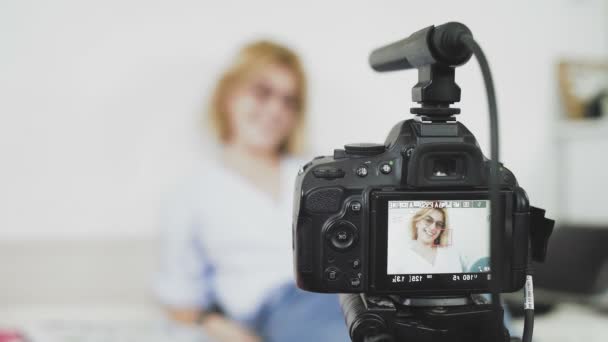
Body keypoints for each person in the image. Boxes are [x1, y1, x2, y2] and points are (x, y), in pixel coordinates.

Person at [154, 40, 349, 342]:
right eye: (262, 92)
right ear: (228, 95)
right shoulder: (193, 193)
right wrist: (219, 326)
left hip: (349, 295)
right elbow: (180, 298)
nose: (275, 110)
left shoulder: (317, 173)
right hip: (279, 309)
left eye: (289, 101)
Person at [390, 208, 464, 274]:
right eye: (428, 220)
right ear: (417, 222)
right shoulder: (399, 256)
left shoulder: (451, 254)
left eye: (438, 224)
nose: (433, 228)